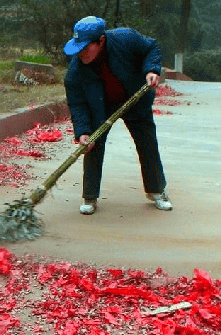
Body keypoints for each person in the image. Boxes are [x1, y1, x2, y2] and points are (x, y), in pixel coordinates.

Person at [63, 16, 172, 215]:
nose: (81, 53)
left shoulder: (125, 38)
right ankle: (90, 196)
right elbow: (77, 104)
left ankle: (156, 190)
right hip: (101, 107)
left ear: (101, 41)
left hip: (134, 98)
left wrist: (152, 69)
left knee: (147, 142)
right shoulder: (75, 73)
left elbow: (151, 48)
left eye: (86, 48)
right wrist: (82, 132)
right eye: (79, 48)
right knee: (92, 145)